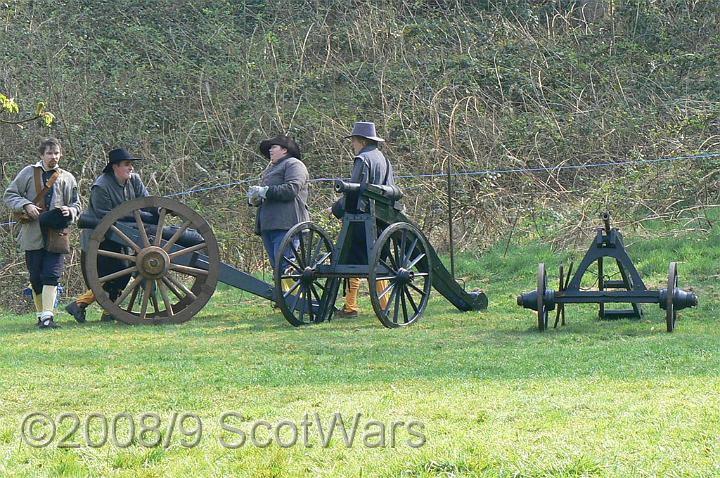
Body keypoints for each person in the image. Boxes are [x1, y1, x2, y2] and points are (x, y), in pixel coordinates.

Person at [3, 137, 81, 328]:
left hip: (57, 233)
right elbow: (10, 195)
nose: (54, 157)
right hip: (33, 232)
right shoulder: (28, 173)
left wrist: (70, 211)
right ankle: (41, 316)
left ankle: (48, 317)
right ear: (41, 155)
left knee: (52, 274)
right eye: (49, 153)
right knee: (35, 275)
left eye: (56, 153)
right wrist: (26, 204)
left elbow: (77, 204)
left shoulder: (68, 177)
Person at [64, 148, 149, 323]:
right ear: (115, 167)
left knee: (123, 273)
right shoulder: (101, 186)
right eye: (127, 164)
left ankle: (96, 308)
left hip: (124, 235)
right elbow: (106, 217)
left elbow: (147, 202)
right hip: (101, 238)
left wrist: (157, 211)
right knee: (117, 272)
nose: (131, 168)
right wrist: (137, 215)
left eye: (131, 164)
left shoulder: (135, 180)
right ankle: (83, 304)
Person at [330, 122, 394, 317]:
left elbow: (354, 192)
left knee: (349, 260)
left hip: (360, 219)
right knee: (378, 260)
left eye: (354, 141)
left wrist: (335, 209)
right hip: (381, 218)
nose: (353, 145)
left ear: (362, 141)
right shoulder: (384, 159)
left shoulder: (362, 159)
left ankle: (350, 307)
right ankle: (383, 304)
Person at [248, 135, 309, 277]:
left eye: (274, 147)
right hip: (269, 225)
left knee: (286, 265)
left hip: (287, 224)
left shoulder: (294, 164)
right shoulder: (270, 170)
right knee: (277, 267)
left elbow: (291, 189)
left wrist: (266, 191)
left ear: (285, 150)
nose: (270, 150)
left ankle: (292, 298)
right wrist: (255, 198)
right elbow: (266, 195)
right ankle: (282, 297)